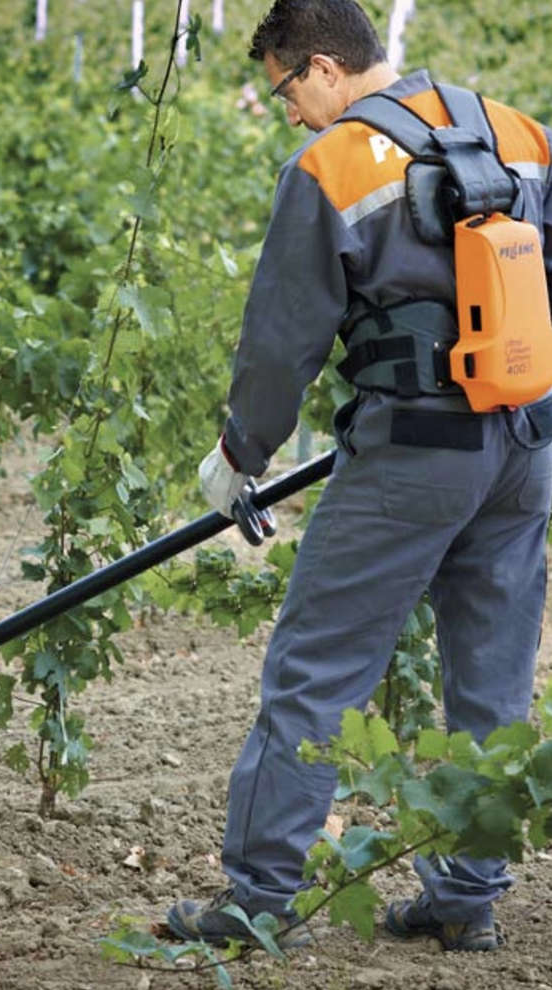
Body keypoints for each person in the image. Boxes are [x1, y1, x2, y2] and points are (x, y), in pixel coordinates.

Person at [167, 0, 552, 954]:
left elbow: (281, 339)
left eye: (286, 89)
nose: (290, 112)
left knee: (316, 672)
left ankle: (258, 900)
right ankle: (468, 895)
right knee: (493, 677)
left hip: (413, 455)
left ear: (326, 68)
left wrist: (239, 455)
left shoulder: (332, 163)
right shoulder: (519, 132)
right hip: (528, 444)